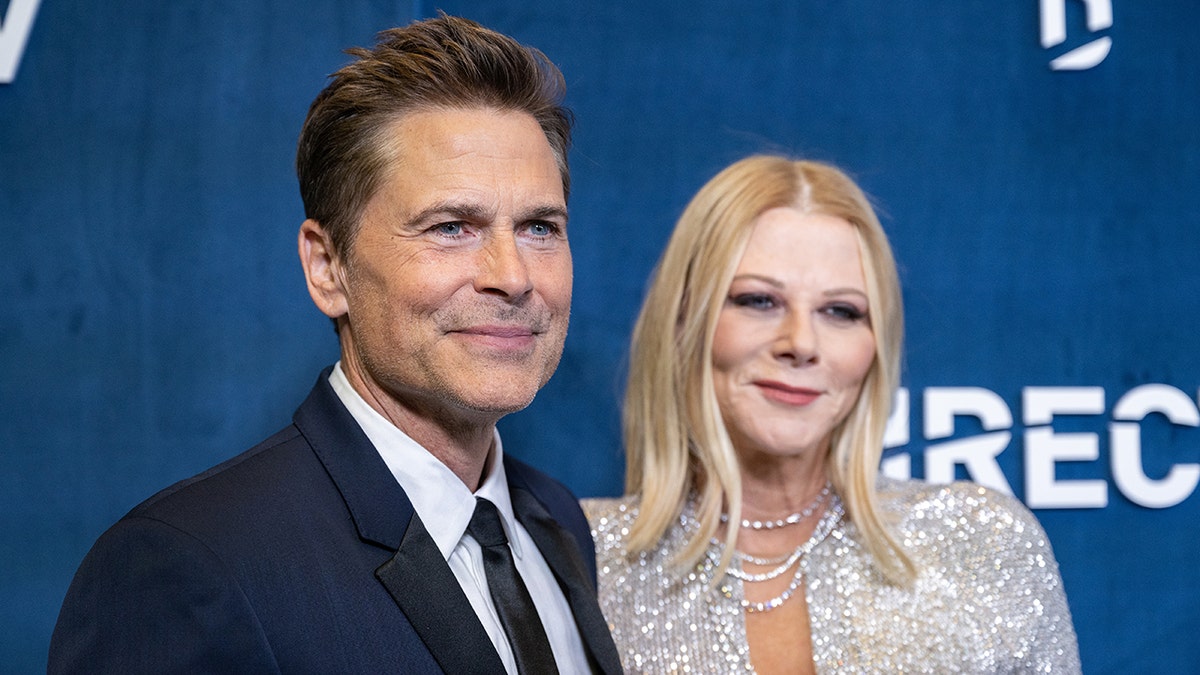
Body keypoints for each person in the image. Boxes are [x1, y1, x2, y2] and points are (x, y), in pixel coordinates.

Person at [50, 15, 622, 674]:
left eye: (539, 228)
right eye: (450, 227)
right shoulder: (191, 568)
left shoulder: (557, 521)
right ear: (328, 268)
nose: (513, 276)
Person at [583, 155, 1081, 673]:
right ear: (684, 320)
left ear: (875, 346)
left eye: (840, 311)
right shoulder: (577, 564)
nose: (801, 342)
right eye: (758, 301)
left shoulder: (980, 545)